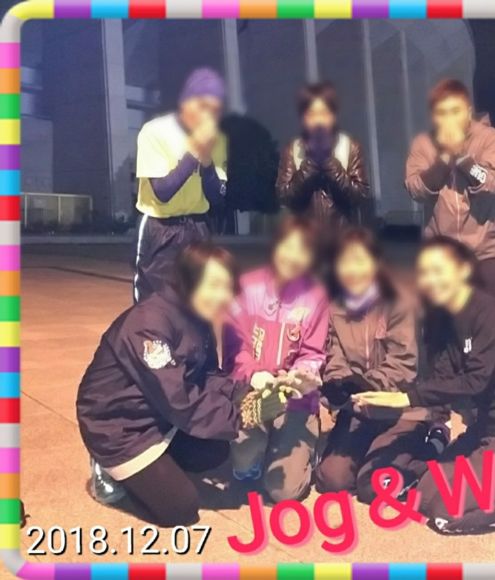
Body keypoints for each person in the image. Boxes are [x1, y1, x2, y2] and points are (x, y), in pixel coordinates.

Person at [354, 236, 495, 534]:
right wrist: (385, 406)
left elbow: (475, 381)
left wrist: (406, 398)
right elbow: (442, 383)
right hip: (486, 432)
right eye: (424, 273)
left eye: (438, 270)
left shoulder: (490, 314)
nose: (430, 280)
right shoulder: (444, 321)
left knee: (447, 513)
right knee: (425, 494)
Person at [77, 242, 295, 527]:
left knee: (215, 451)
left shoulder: (196, 317)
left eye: (226, 286)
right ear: (188, 279)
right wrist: (244, 415)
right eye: (213, 285)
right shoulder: (150, 325)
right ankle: (108, 468)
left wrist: (248, 389)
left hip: (157, 416)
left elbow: (207, 376)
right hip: (119, 427)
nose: (222, 295)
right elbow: (179, 400)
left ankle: (155, 470)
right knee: (181, 509)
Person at [315, 227, 450, 503]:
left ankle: (434, 442)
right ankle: (368, 449)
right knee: (332, 481)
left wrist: (366, 386)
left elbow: (404, 364)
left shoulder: (399, 302)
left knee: (374, 486)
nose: (352, 270)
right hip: (360, 409)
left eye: (360, 260)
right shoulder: (335, 308)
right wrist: (340, 387)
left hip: (403, 410)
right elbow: (334, 358)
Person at [227, 216, 329, 502]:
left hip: (294, 400)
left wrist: (302, 377)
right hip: (253, 394)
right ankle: (261, 446)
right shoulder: (247, 287)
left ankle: (307, 448)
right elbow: (235, 344)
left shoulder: (316, 296)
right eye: (288, 246)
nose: (294, 257)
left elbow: (313, 352)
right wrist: (255, 374)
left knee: (283, 491)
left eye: (303, 250)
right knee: (244, 468)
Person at [405, 79, 495, 299]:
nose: (449, 119)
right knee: (442, 319)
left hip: (484, 253)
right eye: (442, 113)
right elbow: (415, 189)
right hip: (441, 256)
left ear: (468, 111)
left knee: (489, 317)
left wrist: (463, 158)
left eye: (455, 111)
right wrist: (444, 159)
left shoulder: (489, 138)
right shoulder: (423, 144)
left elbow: (492, 182)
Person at [134, 68, 229, 303]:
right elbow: (162, 191)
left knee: (199, 301)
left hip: (198, 226)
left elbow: (217, 196)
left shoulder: (217, 139)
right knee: (155, 304)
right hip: (161, 226)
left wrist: (207, 166)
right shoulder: (154, 132)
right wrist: (194, 152)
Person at [276, 81, 370, 233]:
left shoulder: (349, 146)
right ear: (303, 118)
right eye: (312, 114)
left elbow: (360, 196)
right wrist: (310, 165)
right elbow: (285, 196)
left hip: (341, 237)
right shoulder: (293, 149)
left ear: (334, 116)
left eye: (324, 113)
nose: (318, 121)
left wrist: (329, 163)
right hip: (305, 239)